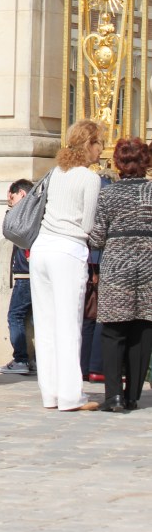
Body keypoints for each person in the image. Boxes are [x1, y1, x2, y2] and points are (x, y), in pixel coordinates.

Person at [29, 119, 103, 412]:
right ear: (89, 145)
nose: (101, 149)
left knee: (46, 325)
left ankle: (51, 394)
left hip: (42, 248)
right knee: (69, 324)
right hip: (68, 249)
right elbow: (87, 224)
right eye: (98, 143)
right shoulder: (89, 177)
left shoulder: (56, 172)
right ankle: (71, 395)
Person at [89, 136, 152, 412]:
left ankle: (113, 396)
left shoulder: (109, 193)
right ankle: (132, 396)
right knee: (142, 328)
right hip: (148, 262)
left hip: (117, 264)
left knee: (114, 330)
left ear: (118, 163)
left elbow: (98, 237)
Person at [0, 179, 34, 376]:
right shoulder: (37, 211)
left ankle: (21, 359)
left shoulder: (25, 212)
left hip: (26, 273)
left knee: (15, 316)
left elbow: (9, 231)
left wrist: (11, 209)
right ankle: (36, 359)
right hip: (35, 272)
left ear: (22, 194)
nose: (9, 200)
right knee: (35, 319)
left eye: (12, 196)